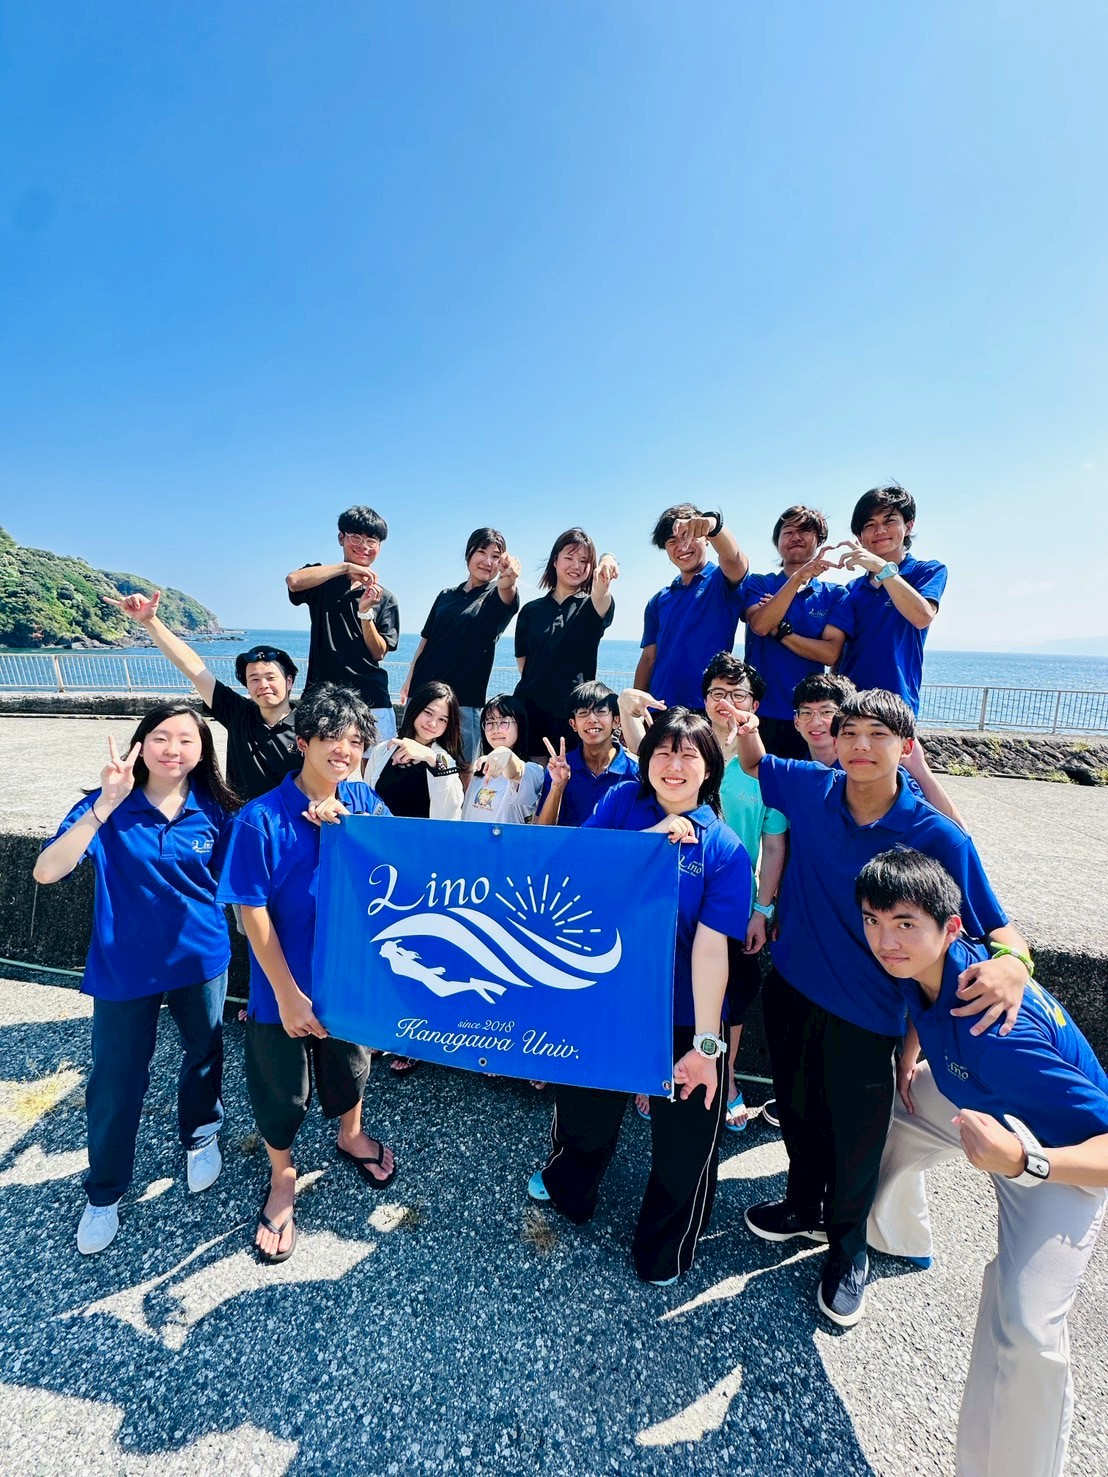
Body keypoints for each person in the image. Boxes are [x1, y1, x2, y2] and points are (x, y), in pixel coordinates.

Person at [731, 689, 1032, 1328]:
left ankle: (848, 1252)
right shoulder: (809, 787)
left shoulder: (934, 834)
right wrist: (748, 726)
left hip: (870, 1015)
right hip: (791, 987)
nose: (861, 746)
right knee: (797, 1112)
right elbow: (755, 763)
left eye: (878, 735)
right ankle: (802, 1206)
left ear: (906, 746)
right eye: (850, 733)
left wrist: (1014, 966)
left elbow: (999, 928)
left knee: (857, 1141)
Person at [858, 848, 1108, 1477]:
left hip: (1059, 1159)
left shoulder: (1003, 1032)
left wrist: (1025, 1161)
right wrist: (909, 1055)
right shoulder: (924, 965)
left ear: (952, 928)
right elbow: (920, 999)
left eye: (905, 924)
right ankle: (897, 1235)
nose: (886, 942)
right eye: (873, 921)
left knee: (1026, 1330)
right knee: (888, 1120)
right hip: (974, 1098)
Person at [527, 708, 752, 1285]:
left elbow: (711, 952)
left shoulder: (724, 849)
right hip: (604, 1000)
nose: (674, 765)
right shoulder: (623, 802)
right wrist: (648, 843)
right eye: (663, 752)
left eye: (689, 755)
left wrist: (706, 1047)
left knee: (684, 1148)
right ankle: (569, 1187)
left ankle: (664, 1249)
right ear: (646, 760)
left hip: (684, 1015)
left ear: (709, 769)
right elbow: (571, 869)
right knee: (583, 1114)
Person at [34, 705, 239, 1255]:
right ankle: (104, 1191)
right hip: (123, 965)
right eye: (161, 737)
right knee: (115, 1078)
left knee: (204, 1053)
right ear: (140, 744)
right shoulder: (108, 807)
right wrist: (104, 805)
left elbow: (233, 880)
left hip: (200, 958)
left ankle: (201, 1135)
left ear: (203, 750)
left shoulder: (216, 808)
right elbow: (47, 871)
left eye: (187, 740)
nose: (173, 749)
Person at [216, 683, 396, 1266]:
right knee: (280, 1087)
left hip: (347, 980)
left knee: (352, 1065)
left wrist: (350, 828)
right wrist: (288, 995)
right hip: (282, 987)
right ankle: (282, 1173)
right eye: (331, 739)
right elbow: (251, 912)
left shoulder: (364, 800)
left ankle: (350, 1133)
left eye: (355, 742)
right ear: (303, 743)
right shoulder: (260, 818)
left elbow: (400, 857)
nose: (344, 751)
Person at [698, 655, 787, 1132]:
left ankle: (727, 1074)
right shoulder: (683, 751)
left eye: (738, 695)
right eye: (718, 693)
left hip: (737, 901)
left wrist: (762, 910)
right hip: (681, 895)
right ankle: (658, 1071)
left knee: (734, 993)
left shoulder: (765, 769)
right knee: (672, 983)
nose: (727, 703)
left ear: (754, 705)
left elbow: (773, 844)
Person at [105, 590, 300, 803]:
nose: (263, 685)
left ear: (289, 681)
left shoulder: (309, 724)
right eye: (254, 679)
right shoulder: (237, 713)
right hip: (243, 818)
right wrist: (150, 621)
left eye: (271, 677)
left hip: (295, 818)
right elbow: (193, 668)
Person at [363, 680, 465, 1075]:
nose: (433, 723)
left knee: (420, 955)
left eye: (443, 719)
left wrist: (432, 758)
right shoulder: (383, 751)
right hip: (380, 867)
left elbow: (451, 812)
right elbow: (366, 800)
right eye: (428, 713)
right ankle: (382, 1029)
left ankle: (417, 1037)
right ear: (414, 710)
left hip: (421, 872)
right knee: (383, 950)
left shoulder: (443, 761)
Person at [399, 528, 521, 784]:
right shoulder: (446, 596)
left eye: (495, 556)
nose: (487, 561)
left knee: (463, 766)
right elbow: (426, 641)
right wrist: (409, 679)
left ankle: (459, 810)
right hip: (423, 692)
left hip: (465, 698)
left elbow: (507, 591)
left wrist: (509, 578)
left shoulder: (496, 597)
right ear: (468, 554)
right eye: (481, 552)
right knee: (409, 756)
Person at [827, 483, 948, 715]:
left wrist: (883, 568)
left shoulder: (927, 572)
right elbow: (839, 654)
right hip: (850, 704)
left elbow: (922, 616)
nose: (880, 530)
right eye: (869, 525)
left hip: (897, 704)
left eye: (889, 521)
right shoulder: (851, 589)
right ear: (860, 537)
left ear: (908, 526)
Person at [739, 505, 846, 758]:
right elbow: (760, 625)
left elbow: (830, 653)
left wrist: (781, 631)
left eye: (804, 531)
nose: (795, 537)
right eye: (788, 532)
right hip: (757, 710)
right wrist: (797, 578)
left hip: (809, 715)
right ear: (777, 543)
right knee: (756, 779)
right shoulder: (759, 583)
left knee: (804, 780)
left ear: (819, 540)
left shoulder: (835, 595)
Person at [285, 505, 400, 739]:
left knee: (375, 761)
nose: (364, 546)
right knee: (318, 758)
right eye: (355, 537)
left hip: (371, 696)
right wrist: (346, 568)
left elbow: (378, 653)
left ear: (379, 547)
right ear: (341, 538)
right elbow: (293, 581)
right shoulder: (321, 581)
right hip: (322, 694)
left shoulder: (384, 598)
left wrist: (365, 614)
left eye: (372, 540)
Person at [633, 504, 749, 711]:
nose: (682, 546)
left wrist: (713, 524)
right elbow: (649, 659)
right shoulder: (658, 600)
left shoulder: (721, 581)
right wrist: (635, 709)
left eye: (689, 535)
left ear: (706, 539)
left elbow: (734, 559)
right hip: (659, 708)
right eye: (672, 541)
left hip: (706, 708)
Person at [514, 528, 618, 757]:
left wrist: (607, 559)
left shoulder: (592, 606)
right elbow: (524, 664)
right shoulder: (530, 611)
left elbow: (601, 591)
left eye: (584, 561)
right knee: (531, 776)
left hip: (574, 718)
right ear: (555, 561)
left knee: (569, 776)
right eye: (569, 558)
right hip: (530, 715)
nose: (576, 566)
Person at [535, 681, 638, 828]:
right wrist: (557, 786)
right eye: (583, 713)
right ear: (573, 724)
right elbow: (543, 830)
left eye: (600, 711)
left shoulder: (634, 771)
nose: (592, 719)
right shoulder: (560, 768)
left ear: (616, 721)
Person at [460, 695, 544, 825]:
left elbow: (517, 772)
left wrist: (506, 754)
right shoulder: (480, 770)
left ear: (520, 725)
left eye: (504, 722)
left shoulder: (534, 771)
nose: (496, 730)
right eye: (489, 723)